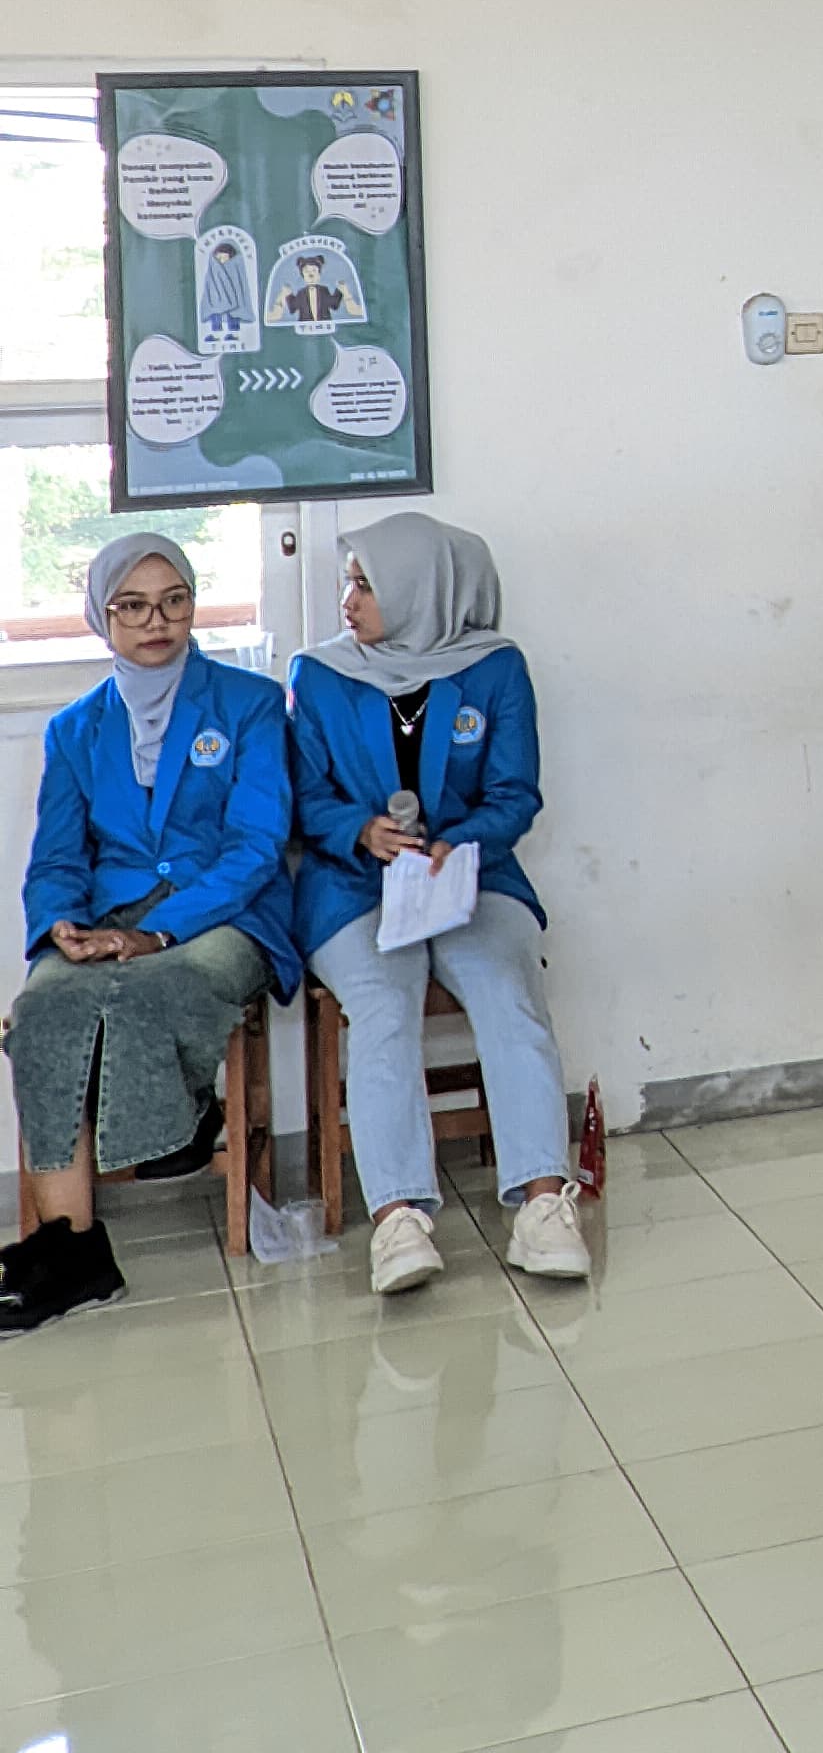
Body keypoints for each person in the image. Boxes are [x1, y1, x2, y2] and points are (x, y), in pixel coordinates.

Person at [288, 515, 588, 1297]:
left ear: (425, 592)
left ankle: (544, 1204)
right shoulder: (320, 674)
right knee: (384, 1010)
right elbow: (306, 797)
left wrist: (463, 843)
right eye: (348, 582)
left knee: (509, 996)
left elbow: (516, 793)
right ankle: (398, 1220)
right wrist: (361, 831)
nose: (348, 601)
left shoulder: (495, 668)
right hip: (355, 885)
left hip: (471, 878)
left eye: (365, 584)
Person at [3, 535, 295, 1333]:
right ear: (103, 617)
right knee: (46, 1010)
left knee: (157, 986)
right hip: (106, 918)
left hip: (225, 913)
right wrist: (58, 927)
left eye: (174, 600)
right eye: (131, 605)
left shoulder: (250, 702)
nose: (155, 620)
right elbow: (57, 855)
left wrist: (157, 933)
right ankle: (75, 1253)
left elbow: (257, 844)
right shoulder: (75, 728)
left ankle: (189, 1118)